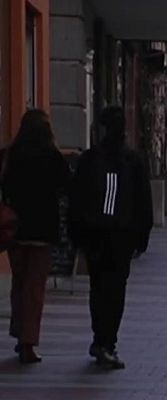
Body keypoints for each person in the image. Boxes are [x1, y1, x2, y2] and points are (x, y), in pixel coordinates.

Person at [69, 106, 153, 369]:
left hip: (95, 235)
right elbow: (144, 202)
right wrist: (142, 238)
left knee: (98, 287)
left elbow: (77, 200)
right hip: (122, 237)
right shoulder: (132, 160)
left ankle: (99, 338)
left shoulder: (90, 159)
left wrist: (76, 235)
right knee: (116, 290)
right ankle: (108, 342)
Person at [1, 109, 70, 364]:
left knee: (19, 284)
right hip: (41, 231)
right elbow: (65, 185)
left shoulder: (11, 155)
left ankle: (19, 333)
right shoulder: (51, 156)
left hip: (15, 230)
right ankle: (28, 342)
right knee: (34, 289)